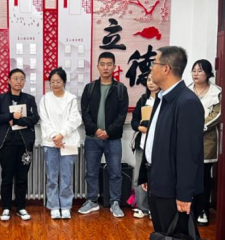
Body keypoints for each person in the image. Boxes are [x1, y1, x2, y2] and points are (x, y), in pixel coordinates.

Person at [138, 46, 205, 240]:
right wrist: (145, 175)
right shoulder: (164, 98)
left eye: (154, 63)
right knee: (163, 237)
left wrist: (184, 194)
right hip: (158, 180)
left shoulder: (186, 102)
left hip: (176, 189)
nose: (151, 68)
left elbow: (189, 153)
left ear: (166, 69)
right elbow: (154, 140)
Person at [79, 52, 129, 218]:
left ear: (114, 67)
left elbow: (122, 115)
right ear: (98, 66)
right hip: (92, 138)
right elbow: (85, 113)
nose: (106, 67)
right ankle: (92, 200)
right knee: (91, 172)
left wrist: (108, 132)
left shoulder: (120, 89)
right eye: (102, 64)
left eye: (109, 64)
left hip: (113, 139)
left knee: (115, 172)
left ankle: (115, 202)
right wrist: (95, 130)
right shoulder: (90, 88)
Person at [0, 69, 40, 221]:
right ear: (9, 80)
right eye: (15, 78)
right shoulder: (1, 98)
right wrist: (10, 116)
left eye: (22, 79)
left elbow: (35, 119)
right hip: (7, 143)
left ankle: (21, 207)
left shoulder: (29, 99)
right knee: (7, 177)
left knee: (22, 177)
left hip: (25, 144)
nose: (19, 81)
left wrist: (18, 120)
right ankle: (6, 207)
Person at [39, 68, 82, 220]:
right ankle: (53, 206)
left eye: (58, 81)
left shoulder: (71, 99)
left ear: (64, 82)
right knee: (52, 177)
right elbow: (44, 120)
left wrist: (61, 134)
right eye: (52, 82)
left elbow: (74, 119)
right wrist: (54, 137)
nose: (55, 84)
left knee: (66, 176)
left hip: (68, 142)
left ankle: (66, 206)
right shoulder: (45, 99)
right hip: (50, 143)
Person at [189, 60, 222, 226]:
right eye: (194, 70)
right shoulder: (186, 90)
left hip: (206, 140)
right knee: (189, 175)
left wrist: (200, 126)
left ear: (208, 74)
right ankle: (189, 209)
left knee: (203, 176)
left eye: (200, 71)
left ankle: (203, 209)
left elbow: (217, 114)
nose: (196, 74)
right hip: (188, 140)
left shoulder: (216, 92)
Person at [130, 75, 160, 219]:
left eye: (154, 80)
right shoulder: (143, 99)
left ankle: (155, 209)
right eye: (148, 80)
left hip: (158, 147)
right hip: (142, 145)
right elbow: (134, 120)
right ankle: (142, 207)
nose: (151, 83)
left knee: (156, 178)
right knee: (138, 176)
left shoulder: (164, 100)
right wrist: (139, 127)